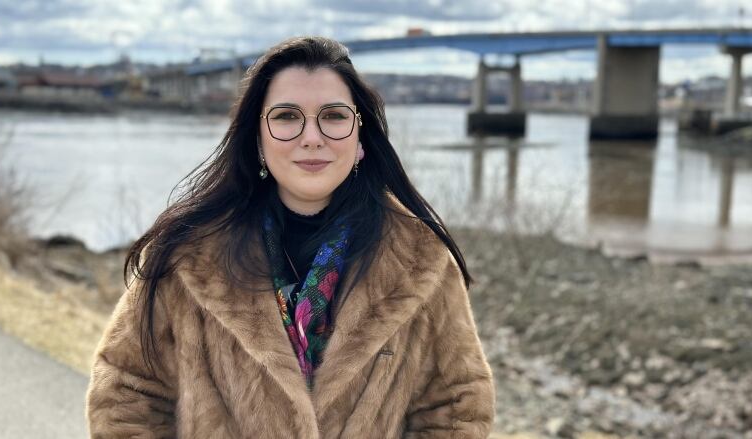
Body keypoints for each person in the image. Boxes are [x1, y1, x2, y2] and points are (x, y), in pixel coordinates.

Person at [86, 36, 495, 438]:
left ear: (359, 136)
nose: (312, 137)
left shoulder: (421, 258)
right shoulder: (188, 253)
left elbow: (459, 406)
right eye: (286, 117)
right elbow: (125, 390)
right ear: (257, 138)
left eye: (334, 116)